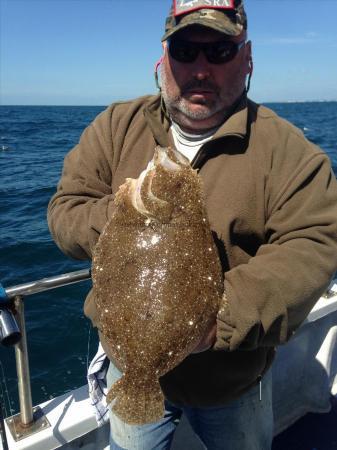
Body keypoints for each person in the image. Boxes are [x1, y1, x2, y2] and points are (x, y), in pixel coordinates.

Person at [47, 1, 337, 449]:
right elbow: (65, 211)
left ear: (248, 58)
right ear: (163, 58)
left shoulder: (289, 153)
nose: (201, 68)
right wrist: (126, 219)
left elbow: (315, 243)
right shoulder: (114, 127)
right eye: (186, 50)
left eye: (220, 51)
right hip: (132, 366)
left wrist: (213, 321)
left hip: (231, 381)